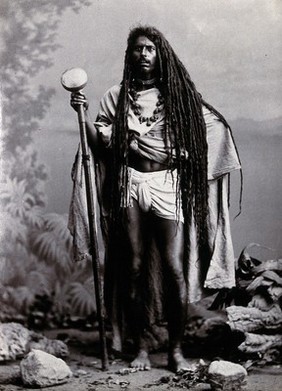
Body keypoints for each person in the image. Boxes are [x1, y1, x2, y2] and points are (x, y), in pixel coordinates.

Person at [69, 25, 241, 373]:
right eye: (137, 48)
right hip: (129, 183)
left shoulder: (177, 96)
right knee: (132, 267)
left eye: (150, 48)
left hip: (167, 184)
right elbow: (100, 143)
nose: (143, 54)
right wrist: (82, 112)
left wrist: (185, 155)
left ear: (161, 54)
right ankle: (141, 350)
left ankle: (176, 352)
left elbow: (207, 132)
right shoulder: (116, 96)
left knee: (174, 269)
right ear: (129, 55)